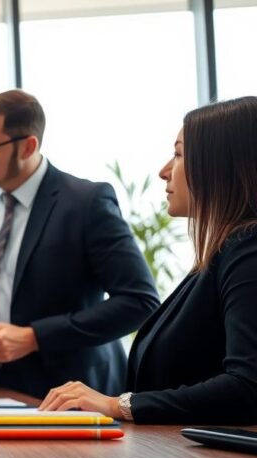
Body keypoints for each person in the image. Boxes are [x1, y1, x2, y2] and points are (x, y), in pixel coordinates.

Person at [0, 90, 160, 398]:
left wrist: (35, 337)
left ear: (27, 146)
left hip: (61, 392)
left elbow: (139, 301)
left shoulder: (86, 203)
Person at [40, 97, 257, 424]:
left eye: (179, 153)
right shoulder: (224, 252)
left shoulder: (247, 250)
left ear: (219, 164)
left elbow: (248, 387)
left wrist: (119, 405)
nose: (164, 171)